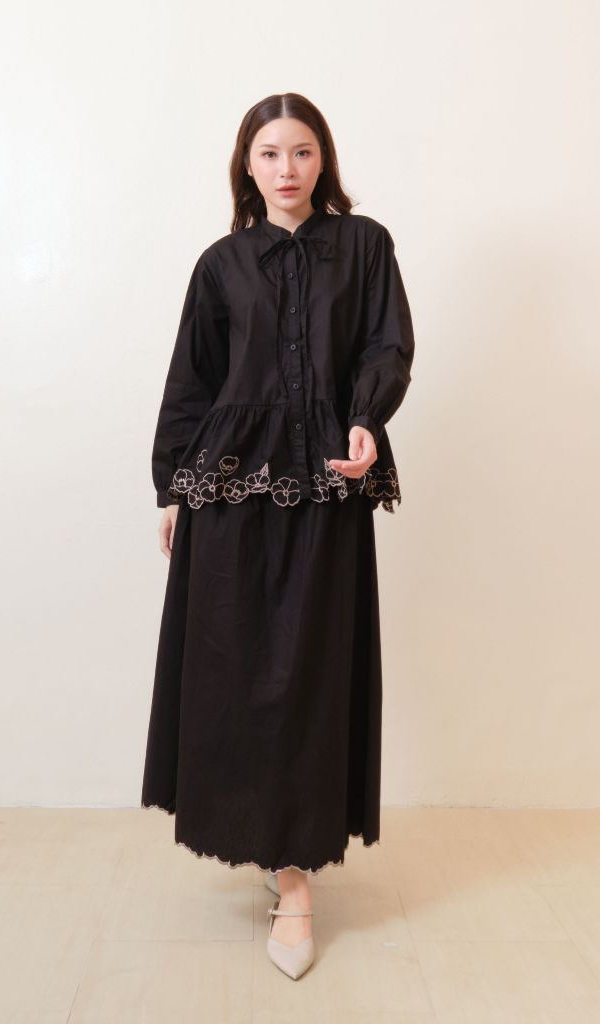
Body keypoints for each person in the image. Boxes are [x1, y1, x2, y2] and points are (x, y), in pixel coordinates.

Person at [141, 92, 415, 980]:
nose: (286, 168)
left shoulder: (364, 245)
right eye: (269, 153)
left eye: (301, 151)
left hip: (328, 483)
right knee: (236, 673)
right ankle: (270, 847)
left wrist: (366, 419)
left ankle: (295, 878)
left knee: (309, 675)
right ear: (247, 166)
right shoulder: (221, 264)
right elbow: (192, 380)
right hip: (228, 493)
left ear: (322, 158)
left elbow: (385, 347)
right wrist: (173, 488)